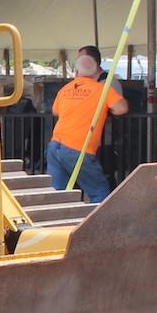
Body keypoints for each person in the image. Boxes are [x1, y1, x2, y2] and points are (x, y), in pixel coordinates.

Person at [46, 45, 129, 203]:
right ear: (96, 70)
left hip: (55, 145)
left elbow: (55, 111)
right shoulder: (102, 90)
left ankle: (54, 224)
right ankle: (101, 226)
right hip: (79, 148)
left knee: (56, 193)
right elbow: (121, 108)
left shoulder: (65, 89)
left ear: (77, 71)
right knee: (99, 192)